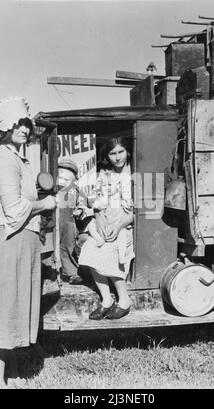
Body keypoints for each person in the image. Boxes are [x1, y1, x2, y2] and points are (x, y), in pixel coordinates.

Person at [0, 96, 57, 389]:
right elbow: (14, 209)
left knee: (15, 307)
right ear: (4, 128)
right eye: (16, 124)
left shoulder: (17, 158)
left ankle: (13, 372)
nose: (23, 128)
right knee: (2, 308)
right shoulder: (5, 158)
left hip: (20, 240)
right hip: (8, 240)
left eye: (25, 123)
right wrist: (46, 204)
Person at [78, 136, 134, 320]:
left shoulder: (136, 175)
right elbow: (98, 206)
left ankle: (124, 300)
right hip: (105, 223)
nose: (118, 157)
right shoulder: (103, 175)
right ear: (107, 155)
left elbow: (139, 212)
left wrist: (118, 226)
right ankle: (106, 300)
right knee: (90, 250)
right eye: (113, 153)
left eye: (121, 152)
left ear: (127, 151)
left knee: (110, 253)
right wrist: (100, 220)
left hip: (125, 226)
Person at [57, 158, 92, 284]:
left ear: (74, 180)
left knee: (68, 246)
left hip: (69, 222)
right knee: (49, 248)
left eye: (66, 180)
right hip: (52, 222)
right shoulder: (52, 189)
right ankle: (49, 271)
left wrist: (81, 211)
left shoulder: (76, 190)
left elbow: (84, 204)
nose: (62, 182)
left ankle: (71, 272)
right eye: (59, 177)